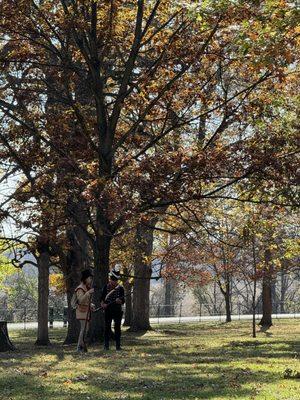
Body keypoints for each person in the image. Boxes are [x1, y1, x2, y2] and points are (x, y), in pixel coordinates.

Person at [101, 266, 125, 351]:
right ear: (110, 279)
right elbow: (102, 299)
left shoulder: (121, 288)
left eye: (116, 280)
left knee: (117, 328)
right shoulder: (105, 287)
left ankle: (118, 346)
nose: (114, 282)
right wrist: (103, 304)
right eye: (113, 280)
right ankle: (106, 346)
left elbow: (123, 301)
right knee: (107, 328)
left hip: (117, 311)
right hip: (108, 311)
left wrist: (120, 301)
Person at [75, 268, 95, 352]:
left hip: (86, 311)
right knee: (83, 329)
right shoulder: (80, 288)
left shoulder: (86, 287)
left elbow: (87, 301)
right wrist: (88, 293)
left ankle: (82, 346)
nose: (91, 280)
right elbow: (80, 300)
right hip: (81, 311)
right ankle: (79, 347)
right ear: (86, 278)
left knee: (85, 329)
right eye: (90, 278)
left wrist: (91, 305)